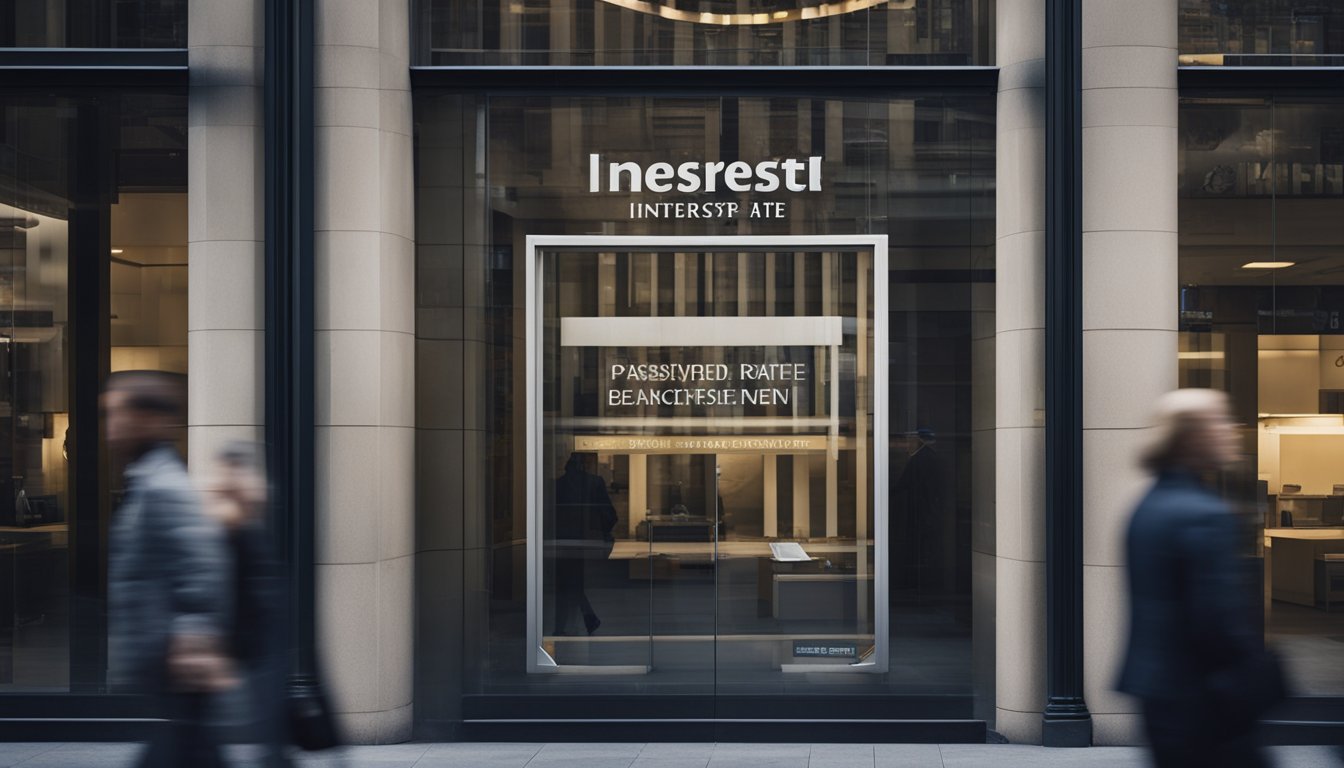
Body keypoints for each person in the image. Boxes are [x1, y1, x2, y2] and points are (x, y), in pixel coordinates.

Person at [1117, 389, 1283, 768]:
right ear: (1192, 437)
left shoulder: (1146, 507)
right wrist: (1262, 673)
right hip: (1206, 700)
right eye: (1220, 422)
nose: (1230, 431)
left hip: (1158, 695)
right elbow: (1219, 619)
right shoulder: (1205, 514)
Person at [105, 371, 234, 768]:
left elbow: (202, 562)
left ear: (145, 419)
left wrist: (191, 633)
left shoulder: (164, 486)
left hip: (179, 667)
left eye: (115, 414)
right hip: (167, 667)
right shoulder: (148, 481)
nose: (110, 427)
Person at [204, 442, 293, 767]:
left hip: (258, 646)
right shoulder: (226, 526)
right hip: (244, 645)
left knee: (268, 740)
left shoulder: (247, 525)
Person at [553, 452, 617, 636]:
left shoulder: (558, 485)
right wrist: (604, 533)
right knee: (573, 582)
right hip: (586, 540)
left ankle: (567, 625)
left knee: (566, 583)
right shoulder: (595, 483)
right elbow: (609, 514)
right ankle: (586, 618)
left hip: (563, 540)